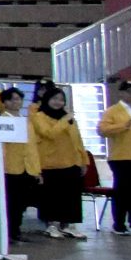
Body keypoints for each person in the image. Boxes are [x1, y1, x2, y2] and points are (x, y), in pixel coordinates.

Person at [27, 88, 91, 240]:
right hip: (50, 163)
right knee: (51, 196)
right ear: (47, 99)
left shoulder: (68, 118)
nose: (58, 102)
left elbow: (77, 139)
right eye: (54, 99)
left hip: (72, 162)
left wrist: (83, 160)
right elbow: (49, 133)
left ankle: (68, 225)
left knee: (71, 196)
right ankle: (51, 225)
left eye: (61, 99)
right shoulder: (39, 116)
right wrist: (64, 121)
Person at [104, 79, 131, 236]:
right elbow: (103, 130)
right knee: (123, 191)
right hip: (121, 157)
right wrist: (124, 126)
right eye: (129, 91)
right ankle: (119, 223)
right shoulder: (112, 111)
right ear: (121, 93)